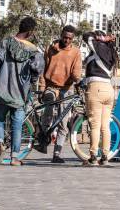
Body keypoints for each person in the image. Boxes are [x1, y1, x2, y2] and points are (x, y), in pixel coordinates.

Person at [0, 17, 44, 166]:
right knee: (17, 125)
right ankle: (14, 158)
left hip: (3, 91)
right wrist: (31, 82)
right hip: (20, 94)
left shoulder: (4, 43)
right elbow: (37, 69)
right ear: (31, 32)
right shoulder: (33, 51)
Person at [37, 25, 82, 163]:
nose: (66, 40)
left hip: (67, 89)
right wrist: (42, 87)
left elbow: (76, 72)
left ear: (73, 39)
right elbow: (43, 70)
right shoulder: (51, 49)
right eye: (65, 37)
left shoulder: (76, 52)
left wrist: (79, 81)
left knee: (63, 123)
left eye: (69, 38)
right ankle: (43, 142)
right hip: (51, 87)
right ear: (61, 34)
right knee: (48, 115)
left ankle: (57, 154)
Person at [82, 30, 117, 166]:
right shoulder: (111, 52)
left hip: (95, 88)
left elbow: (86, 36)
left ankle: (93, 157)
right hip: (109, 89)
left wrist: (101, 38)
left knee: (95, 125)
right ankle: (105, 157)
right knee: (105, 126)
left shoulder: (97, 47)